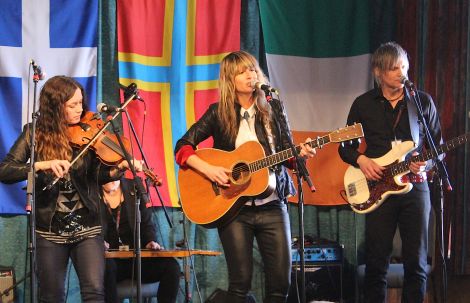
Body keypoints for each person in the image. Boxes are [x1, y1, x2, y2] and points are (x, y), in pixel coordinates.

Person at [174, 50, 316, 303]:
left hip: (273, 205)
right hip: (234, 209)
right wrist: (210, 170)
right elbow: (183, 146)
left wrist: (300, 155)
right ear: (231, 79)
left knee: (281, 284)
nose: (251, 74)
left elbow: (286, 155)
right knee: (240, 284)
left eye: (252, 69)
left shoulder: (273, 108)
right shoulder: (218, 113)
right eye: (243, 71)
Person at [0, 76, 142, 302]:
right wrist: (39, 165)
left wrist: (117, 170)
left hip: (88, 226)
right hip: (49, 230)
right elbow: (5, 170)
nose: (80, 110)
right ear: (56, 106)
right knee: (52, 295)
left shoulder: (87, 131)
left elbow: (97, 175)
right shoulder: (33, 133)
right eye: (73, 105)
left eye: (81, 103)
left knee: (95, 291)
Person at [338, 42, 443, 302]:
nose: (401, 73)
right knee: (376, 263)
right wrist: (361, 160)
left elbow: (437, 148)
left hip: (415, 187)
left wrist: (426, 163)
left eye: (404, 67)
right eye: (394, 68)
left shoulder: (421, 102)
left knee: (416, 264)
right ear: (378, 72)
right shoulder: (363, 104)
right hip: (377, 187)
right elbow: (344, 147)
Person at [101, 178, 181, 303]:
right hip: (111, 262)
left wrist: (150, 241)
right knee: (106, 269)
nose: (112, 178)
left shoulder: (134, 186)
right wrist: (97, 241)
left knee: (172, 267)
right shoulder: (92, 191)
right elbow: (89, 226)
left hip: (137, 259)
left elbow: (147, 223)